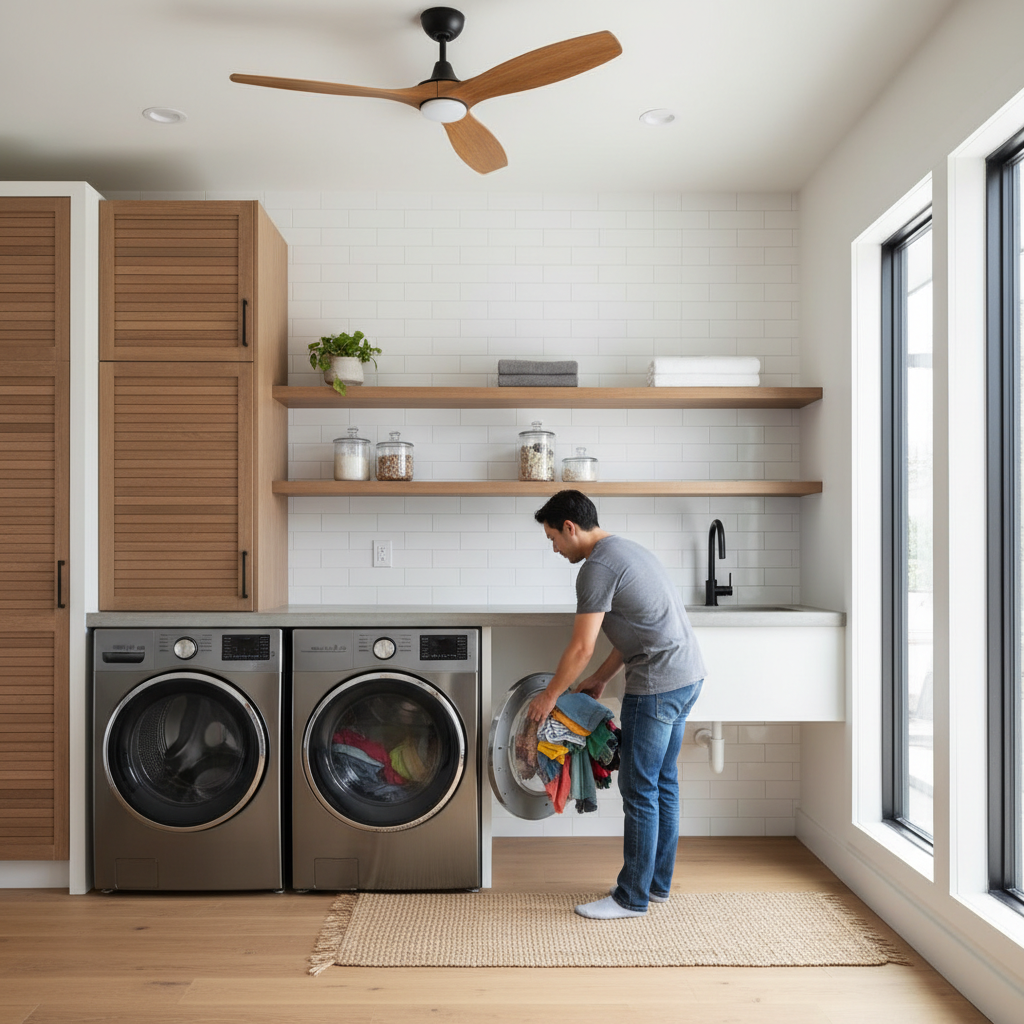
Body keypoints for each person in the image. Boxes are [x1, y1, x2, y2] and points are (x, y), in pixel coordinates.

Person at [526, 489, 706, 920]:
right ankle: (654, 886)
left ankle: (631, 898)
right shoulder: (626, 550)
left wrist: (550, 696)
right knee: (663, 783)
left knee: (639, 788)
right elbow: (637, 630)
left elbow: (581, 647)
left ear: (570, 527)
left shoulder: (595, 569)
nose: (554, 548)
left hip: (658, 685)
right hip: (687, 676)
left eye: (553, 538)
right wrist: (603, 679)